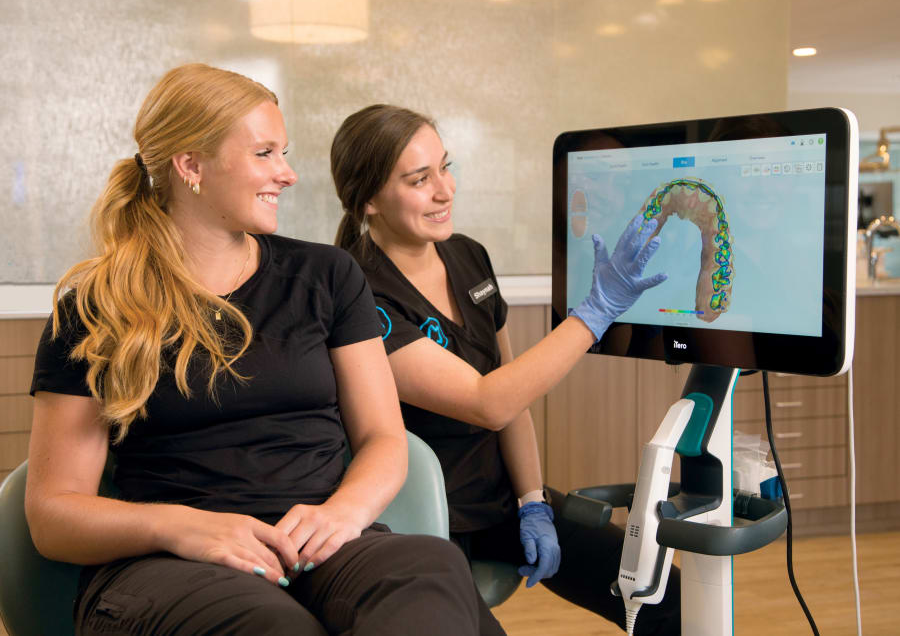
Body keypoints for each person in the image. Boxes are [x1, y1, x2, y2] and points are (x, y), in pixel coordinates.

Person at [26, 66, 505, 636]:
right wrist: (179, 528)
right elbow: (54, 513)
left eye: (285, 152)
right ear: (191, 166)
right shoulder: (96, 308)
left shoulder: (327, 275)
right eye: (265, 153)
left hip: (322, 545)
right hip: (171, 568)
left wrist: (343, 513)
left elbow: (383, 437)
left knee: (428, 576)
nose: (289, 173)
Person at [331, 104, 680, 634]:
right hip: (415, 524)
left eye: (445, 168)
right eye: (419, 180)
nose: (445, 191)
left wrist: (533, 501)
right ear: (369, 199)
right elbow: (486, 400)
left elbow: (512, 394)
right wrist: (595, 311)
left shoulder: (468, 257)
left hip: (497, 504)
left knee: (660, 593)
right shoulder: (357, 290)